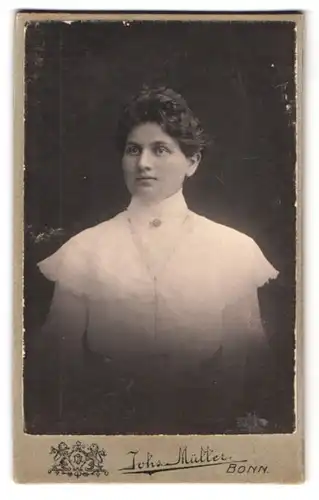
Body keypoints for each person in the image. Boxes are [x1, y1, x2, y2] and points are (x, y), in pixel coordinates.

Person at [34, 86, 278, 434]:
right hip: (107, 428)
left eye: (160, 149)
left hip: (208, 431)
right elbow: (59, 361)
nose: (143, 163)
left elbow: (247, 359)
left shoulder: (234, 249)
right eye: (133, 150)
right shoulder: (84, 250)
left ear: (192, 162)